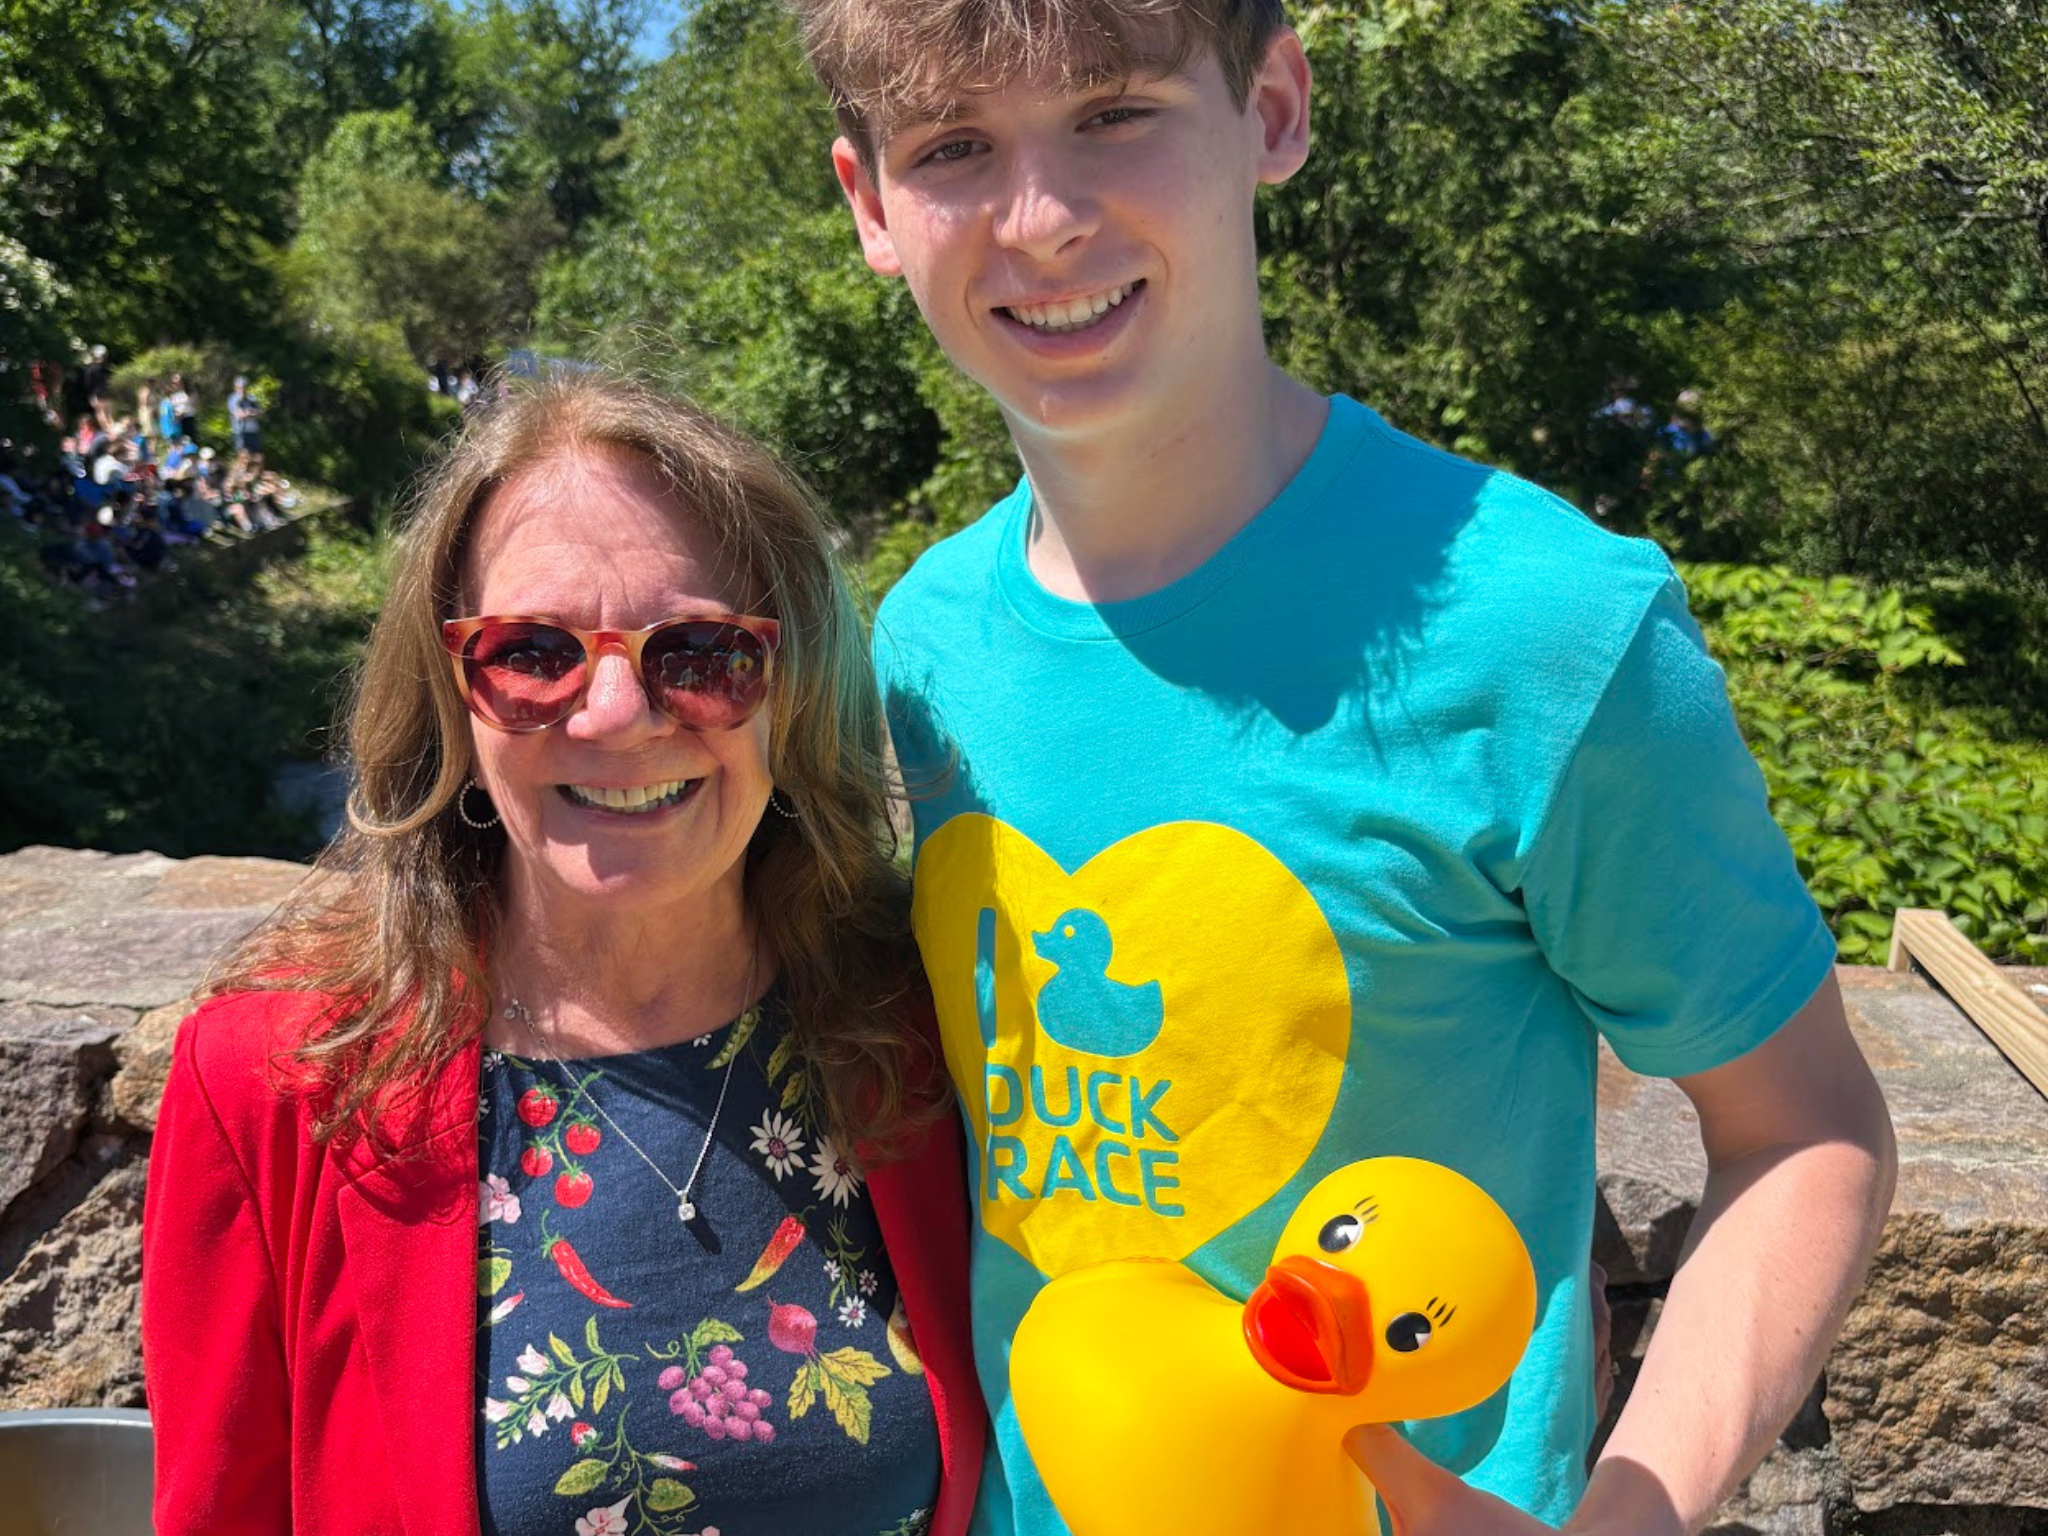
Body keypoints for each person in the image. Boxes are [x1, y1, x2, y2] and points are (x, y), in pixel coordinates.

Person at [796, 3, 1898, 1535]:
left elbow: (1807, 1133)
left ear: (1275, 106)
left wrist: (1629, 1520)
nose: (1040, 222)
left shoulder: (1546, 628)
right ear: (871, 206)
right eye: (956, 148)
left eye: (1114, 113)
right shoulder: (919, 650)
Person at [141, 371, 986, 1536]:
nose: (614, 712)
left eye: (699, 653)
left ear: (790, 690)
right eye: (531, 652)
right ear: (454, 692)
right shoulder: (275, 1079)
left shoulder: (913, 1015)